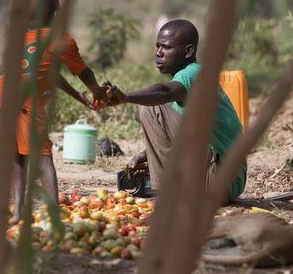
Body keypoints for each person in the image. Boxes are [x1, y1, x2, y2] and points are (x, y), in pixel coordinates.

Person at [0, 0, 107, 223]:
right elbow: (84, 72)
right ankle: (54, 214)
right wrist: (97, 92)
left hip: (1, 93)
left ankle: (17, 212)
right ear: (55, 16)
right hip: (25, 98)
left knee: (17, 153)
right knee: (43, 156)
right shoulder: (60, 39)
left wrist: (79, 97)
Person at [106, 19, 247, 202]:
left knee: (150, 108)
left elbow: (165, 92)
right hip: (221, 179)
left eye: (166, 47)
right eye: (157, 47)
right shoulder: (184, 89)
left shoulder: (195, 73)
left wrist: (126, 97)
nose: (158, 53)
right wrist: (147, 155)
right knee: (151, 108)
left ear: (188, 51)